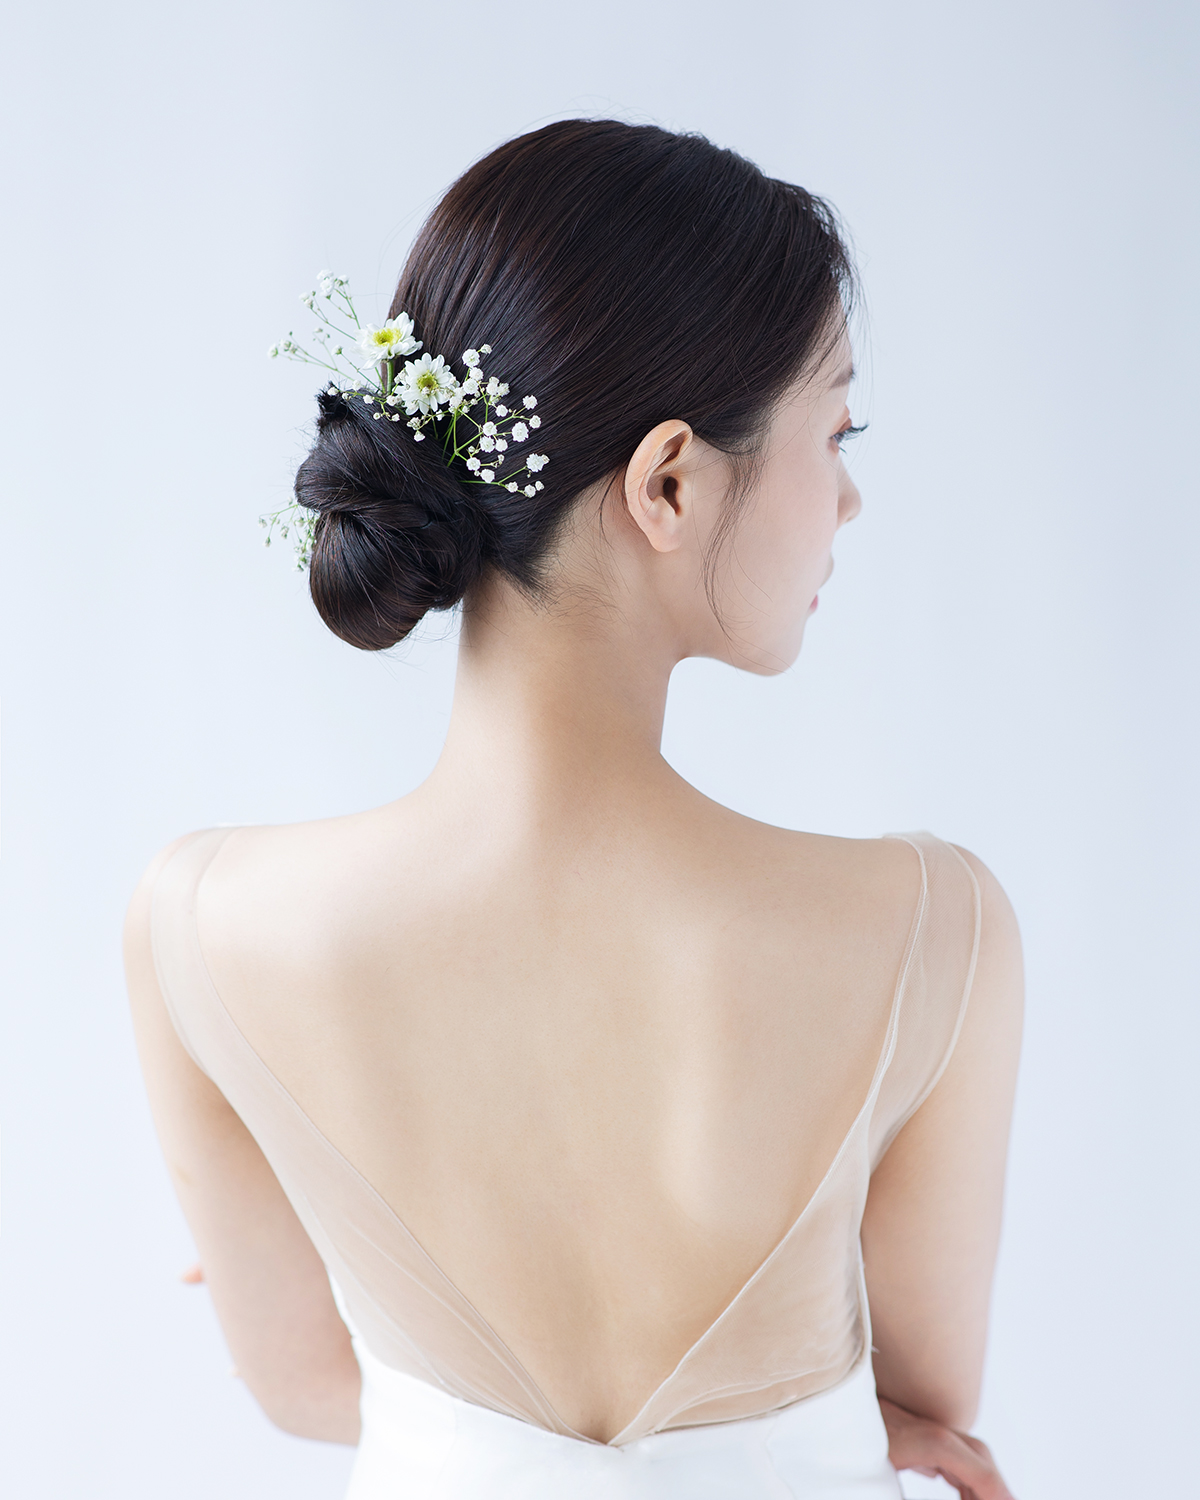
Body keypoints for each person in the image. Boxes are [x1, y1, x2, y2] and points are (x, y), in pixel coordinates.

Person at [125, 119, 1022, 1498]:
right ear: (670, 482)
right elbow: (928, 1401)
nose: (848, 497)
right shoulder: (928, 928)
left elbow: (303, 1385)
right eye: (835, 431)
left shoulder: (204, 922)